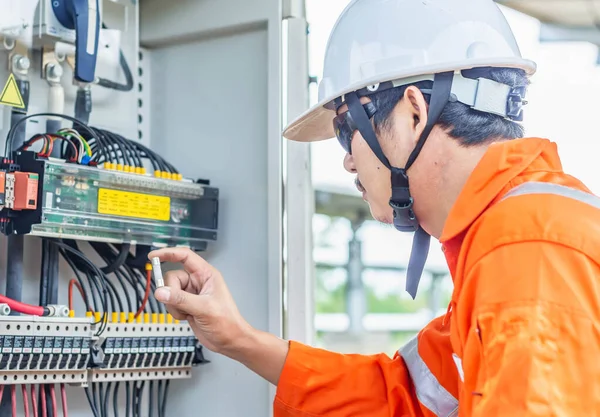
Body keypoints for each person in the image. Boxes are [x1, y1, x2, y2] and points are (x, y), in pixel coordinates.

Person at [149, 0, 600, 415]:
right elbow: (401, 395)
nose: (347, 158)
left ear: (414, 113)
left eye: (348, 130)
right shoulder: (513, 237)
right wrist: (238, 339)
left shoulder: (528, 248)